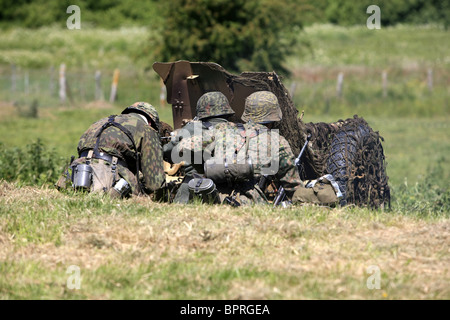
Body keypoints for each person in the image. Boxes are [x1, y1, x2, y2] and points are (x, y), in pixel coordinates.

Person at [205, 91, 303, 206]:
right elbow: (294, 188)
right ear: (273, 118)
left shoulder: (222, 129)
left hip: (215, 199)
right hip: (252, 203)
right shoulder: (277, 141)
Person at [55, 102, 166, 198]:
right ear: (151, 122)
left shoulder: (100, 122)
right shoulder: (147, 129)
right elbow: (155, 185)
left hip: (75, 175)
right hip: (109, 180)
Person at [163, 91, 236, 204]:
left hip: (194, 188)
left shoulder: (192, 128)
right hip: (232, 191)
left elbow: (169, 153)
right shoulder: (237, 129)